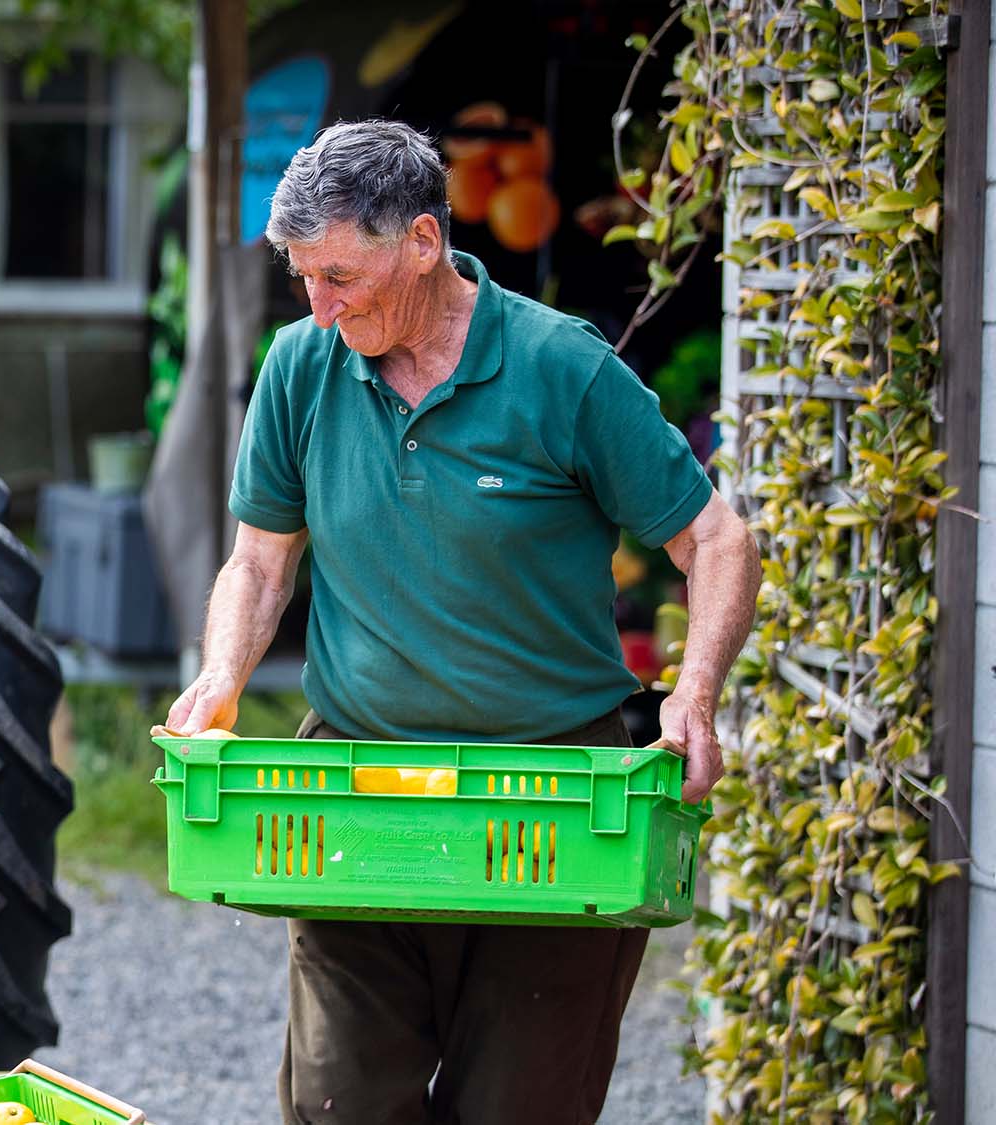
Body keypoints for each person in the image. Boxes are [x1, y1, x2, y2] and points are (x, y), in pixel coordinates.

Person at [163, 120, 761, 1124]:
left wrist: (693, 694)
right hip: (356, 794)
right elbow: (259, 559)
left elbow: (716, 541)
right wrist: (221, 673)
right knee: (336, 1104)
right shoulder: (298, 366)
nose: (316, 305)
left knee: (517, 1108)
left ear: (423, 244)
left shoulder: (556, 368)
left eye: (338, 277)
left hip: (554, 807)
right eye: (301, 276)